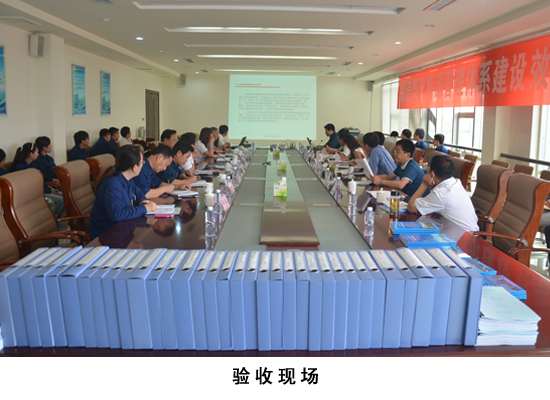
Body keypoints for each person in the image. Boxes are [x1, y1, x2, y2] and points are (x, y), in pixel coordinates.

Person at [89, 145, 157, 239]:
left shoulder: (128, 179)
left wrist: (142, 201)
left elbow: (139, 193)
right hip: (106, 235)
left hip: (123, 230)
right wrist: (145, 208)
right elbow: (118, 214)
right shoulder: (112, 184)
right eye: (142, 162)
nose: (143, 165)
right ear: (134, 167)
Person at [407, 155, 479, 232]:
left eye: (428, 169)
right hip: (464, 231)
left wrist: (424, 184)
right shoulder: (455, 182)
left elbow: (411, 208)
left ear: (432, 174)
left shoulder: (440, 193)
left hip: (463, 236)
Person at [12, 142, 65, 216]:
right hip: (32, 195)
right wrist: (49, 191)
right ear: (31, 154)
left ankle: (61, 220)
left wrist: (50, 190)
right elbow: (30, 186)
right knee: (60, 200)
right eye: (36, 152)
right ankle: (53, 221)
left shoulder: (33, 165)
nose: (37, 154)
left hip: (41, 191)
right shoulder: (20, 168)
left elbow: (40, 180)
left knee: (65, 196)